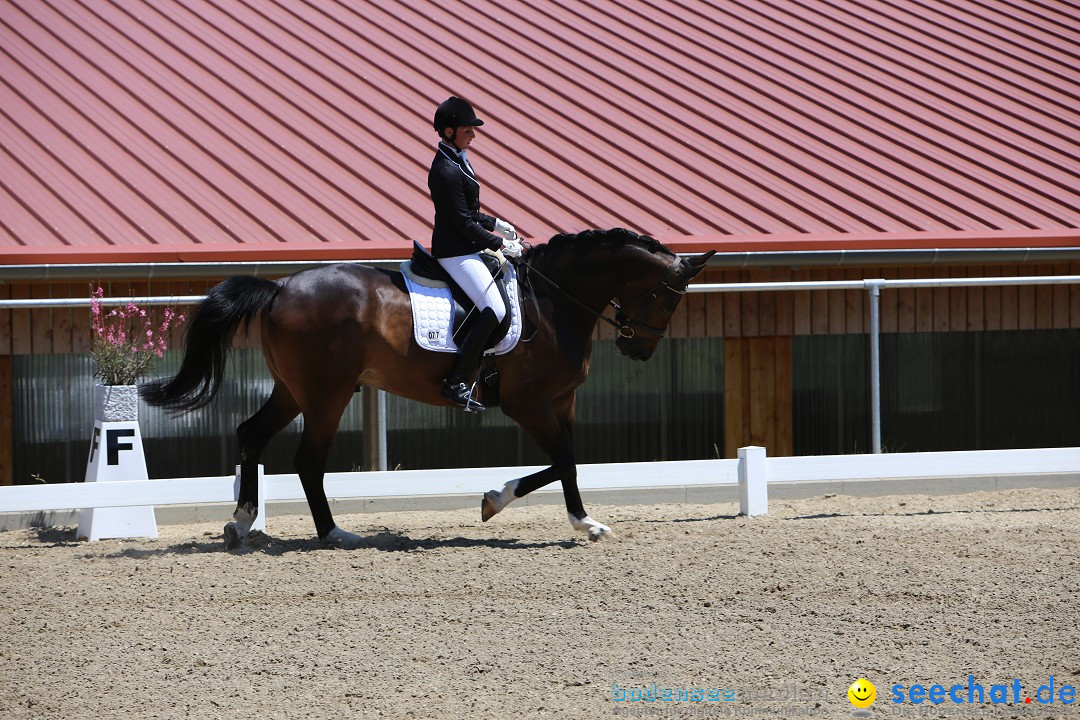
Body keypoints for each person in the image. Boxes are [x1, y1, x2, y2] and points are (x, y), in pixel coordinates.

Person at [428, 96, 523, 411]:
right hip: (455, 253)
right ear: (450, 131)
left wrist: (498, 223)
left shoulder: (458, 159)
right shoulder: (445, 169)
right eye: (468, 130)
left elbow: (471, 212)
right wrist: (498, 242)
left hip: (465, 246)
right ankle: (456, 382)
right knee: (495, 310)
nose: (473, 135)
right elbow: (463, 221)